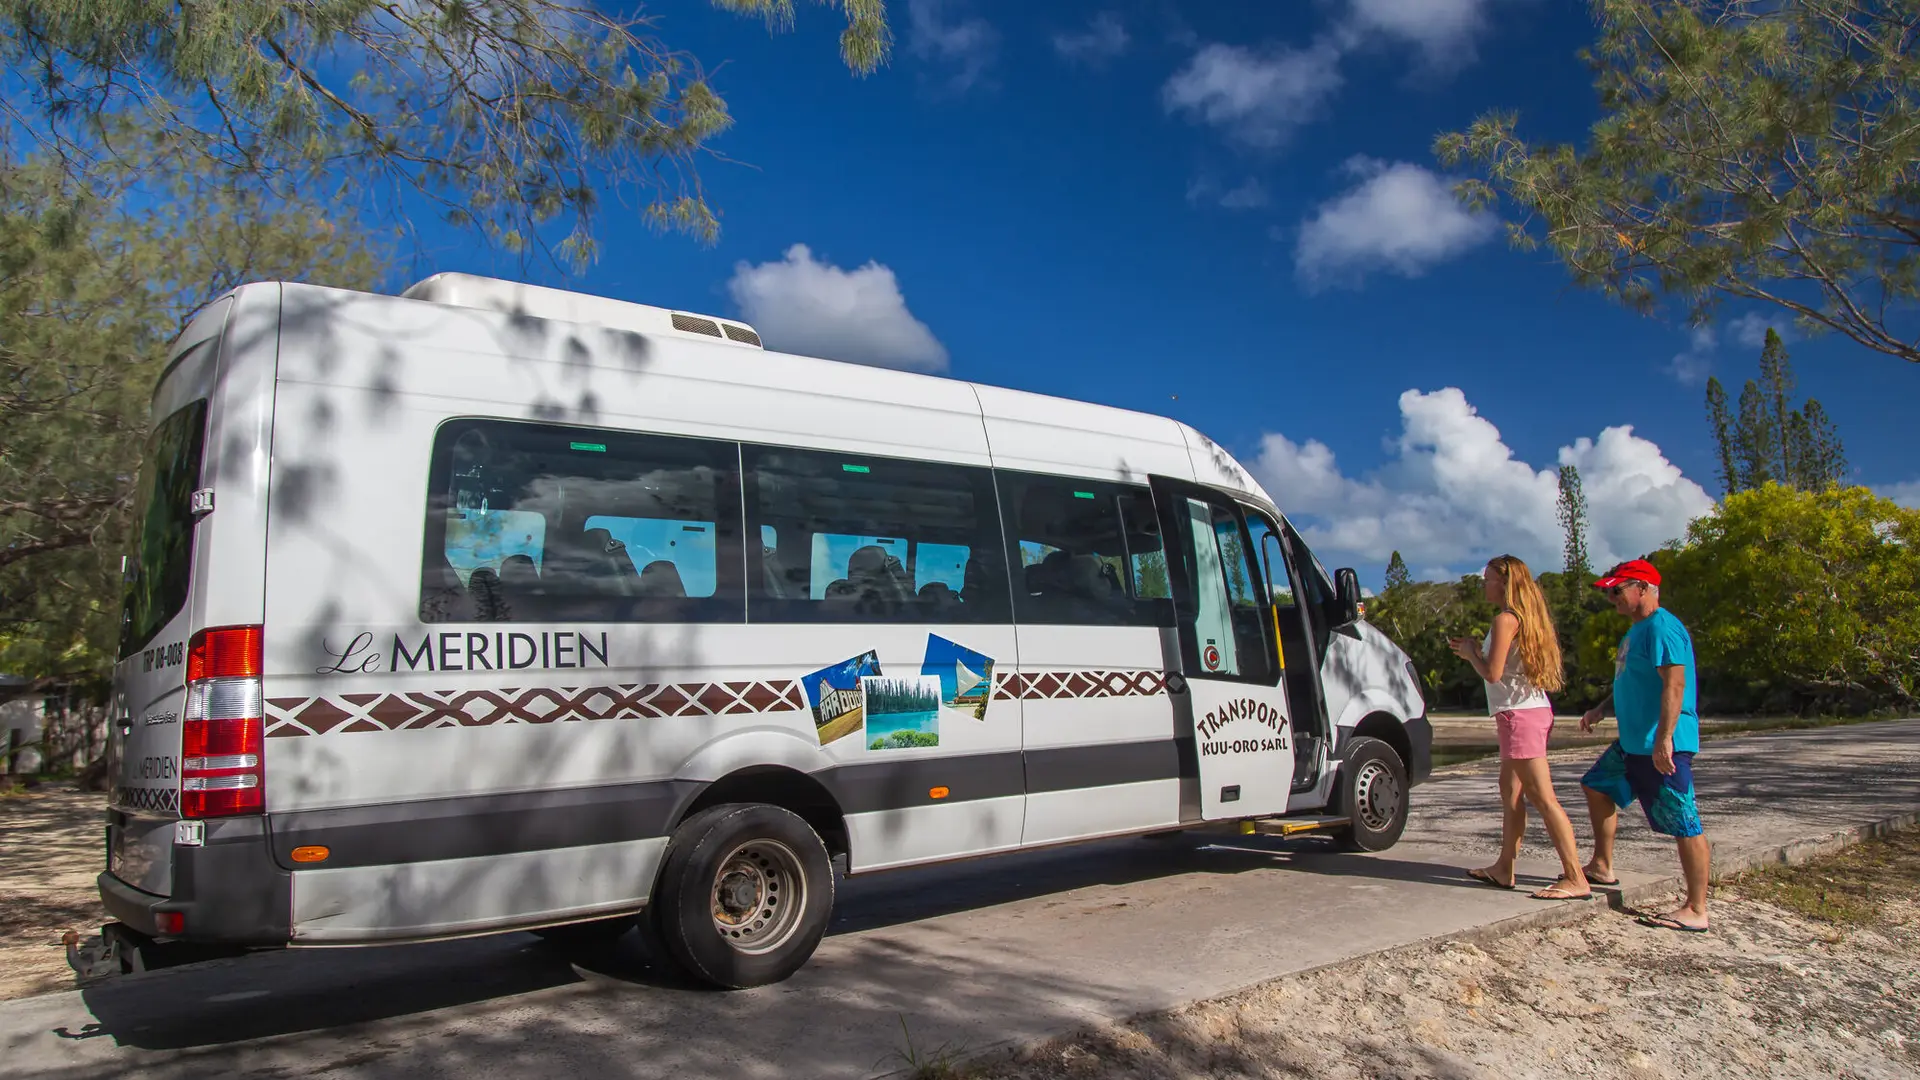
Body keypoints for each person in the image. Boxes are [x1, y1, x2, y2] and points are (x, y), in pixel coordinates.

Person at [1577, 558, 1711, 933]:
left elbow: (1674, 685)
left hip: (1662, 745)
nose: (1612, 599)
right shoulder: (1635, 632)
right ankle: (1602, 865)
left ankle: (1696, 908)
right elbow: (1630, 682)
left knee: (1684, 821)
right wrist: (1601, 709)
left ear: (1643, 588)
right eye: (1610, 593)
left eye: (1617, 591)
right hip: (1632, 743)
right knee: (1596, 786)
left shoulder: (1662, 629)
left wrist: (1665, 738)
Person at [1448, 554, 1589, 900]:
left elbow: (1493, 673)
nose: (1484, 584)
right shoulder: (1524, 619)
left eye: (1488, 579)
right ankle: (1504, 868)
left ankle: (1576, 878)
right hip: (1530, 712)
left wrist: (1470, 652)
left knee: (1543, 798)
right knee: (1510, 793)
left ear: (1505, 583)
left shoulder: (1504, 620)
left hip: (1518, 717)